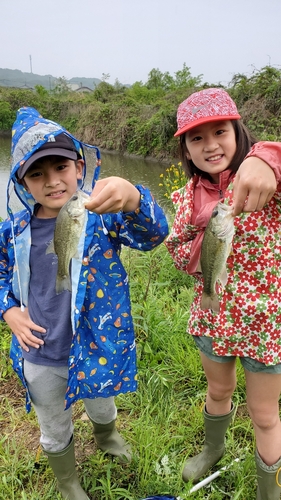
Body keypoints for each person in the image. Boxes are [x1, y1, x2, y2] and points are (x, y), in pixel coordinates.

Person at [0, 107, 169, 500]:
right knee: (53, 424)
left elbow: (155, 233)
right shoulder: (13, 231)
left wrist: (133, 199)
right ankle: (67, 480)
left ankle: (107, 437)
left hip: (95, 345)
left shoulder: (102, 214)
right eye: (37, 173)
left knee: (101, 404)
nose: (52, 181)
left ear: (79, 167)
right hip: (40, 350)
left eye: (60, 167)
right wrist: (9, 310)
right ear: (22, 181)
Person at [165, 88, 281, 500]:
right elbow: (178, 254)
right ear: (186, 149)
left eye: (220, 132)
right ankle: (213, 448)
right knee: (218, 392)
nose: (210, 144)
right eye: (197, 138)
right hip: (213, 318)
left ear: (239, 132)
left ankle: (270, 489)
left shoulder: (266, 185)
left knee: (265, 416)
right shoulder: (185, 200)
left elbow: (274, 161)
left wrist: (267, 159)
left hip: (265, 325)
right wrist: (202, 234)